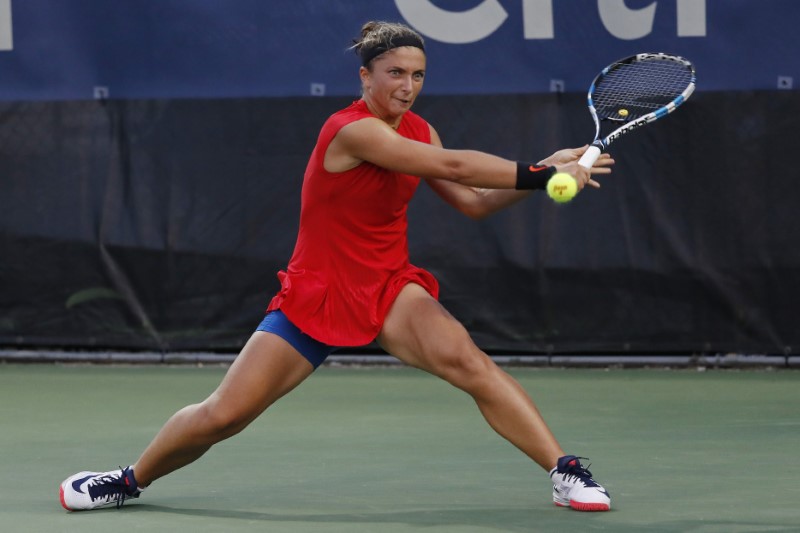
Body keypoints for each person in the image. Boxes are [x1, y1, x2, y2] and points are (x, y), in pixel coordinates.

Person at [59, 21, 614, 513]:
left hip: (390, 287)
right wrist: (542, 173)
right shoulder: (351, 130)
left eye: (418, 75)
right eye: (395, 73)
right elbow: (450, 164)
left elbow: (471, 199)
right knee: (223, 417)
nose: (407, 86)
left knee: (469, 362)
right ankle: (128, 480)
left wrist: (543, 173)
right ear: (365, 76)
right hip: (318, 293)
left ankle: (564, 470)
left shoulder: (419, 129)